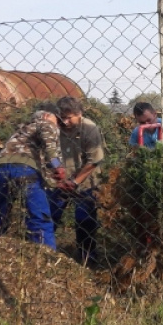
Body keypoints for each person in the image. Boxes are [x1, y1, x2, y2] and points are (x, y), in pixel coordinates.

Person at [0, 104, 68, 249]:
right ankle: (45, 255)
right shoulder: (47, 124)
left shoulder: (21, 130)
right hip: (24, 171)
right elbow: (50, 149)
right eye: (58, 120)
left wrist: (52, 180)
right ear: (46, 115)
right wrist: (58, 167)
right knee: (40, 217)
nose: (59, 124)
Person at [50, 96, 106, 265]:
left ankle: (87, 259)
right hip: (61, 181)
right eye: (62, 117)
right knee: (50, 216)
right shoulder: (55, 127)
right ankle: (43, 251)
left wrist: (75, 182)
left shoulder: (90, 128)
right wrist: (57, 172)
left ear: (79, 114)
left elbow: (94, 160)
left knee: (85, 221)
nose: (65, 122)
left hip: (86, 182)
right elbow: (51, 153)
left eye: (69, 118)